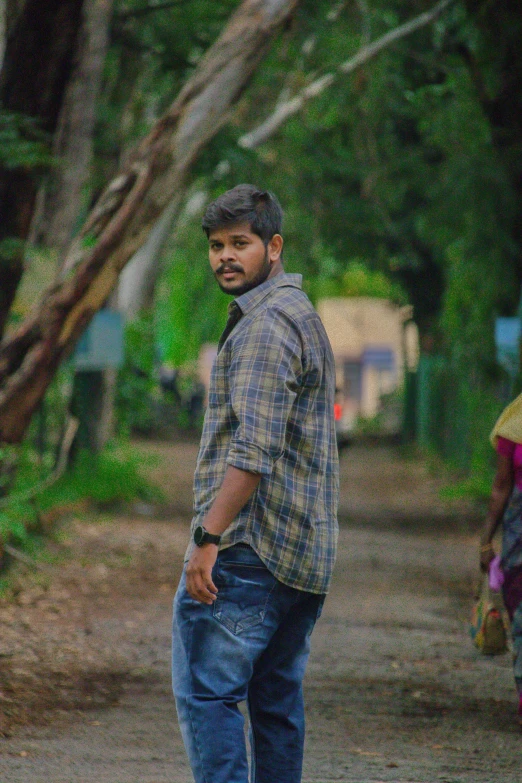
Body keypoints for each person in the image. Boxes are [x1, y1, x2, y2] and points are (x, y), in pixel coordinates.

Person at [171, 184, 339, 783]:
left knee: (208, 697)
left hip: (252, 552)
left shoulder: (266, 326)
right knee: (274, 706)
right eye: (216, 245)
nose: (224, 257)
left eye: (239, 243)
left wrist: (207, 536)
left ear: (274, 247)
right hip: (302, 559)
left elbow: (254, 450)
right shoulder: (298, 315)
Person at [480, 391, 522, 722]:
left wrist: (486, 541)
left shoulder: (515, 420)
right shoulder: (515, 423)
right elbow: (501, 485)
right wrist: (485, 541)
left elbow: (501, 486)